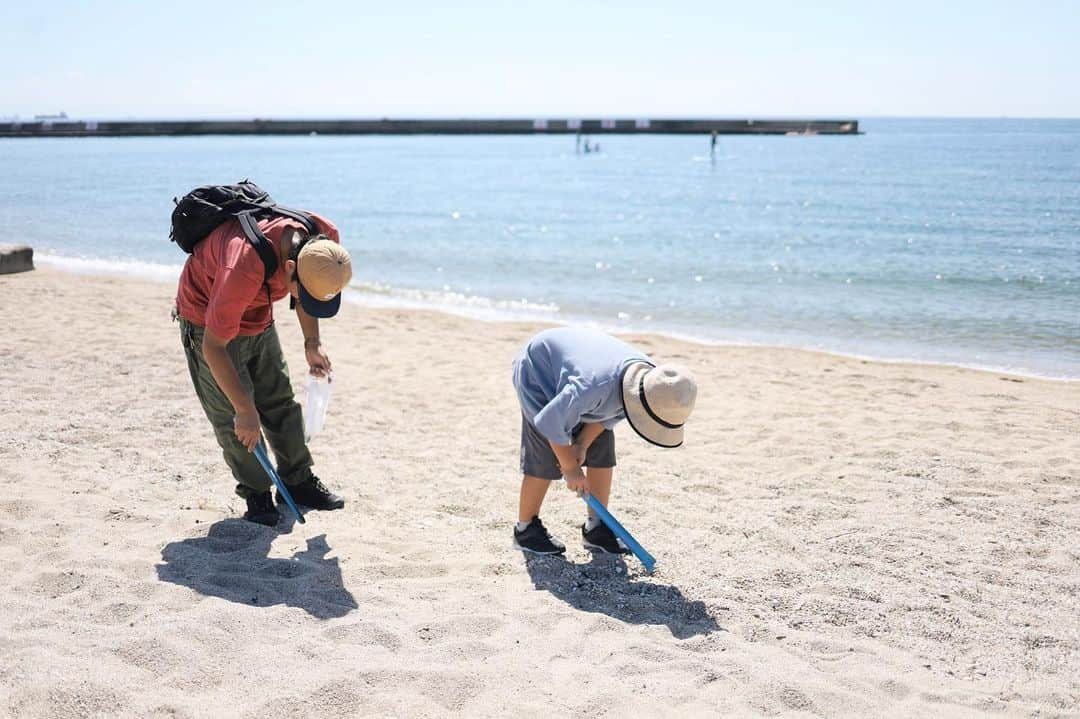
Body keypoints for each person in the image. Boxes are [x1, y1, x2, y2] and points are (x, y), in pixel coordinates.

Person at [175, 210, 353, 527]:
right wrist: (244, 409)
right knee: (237, 417)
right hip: (208, 321)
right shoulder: (243, 264)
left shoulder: (324, 244)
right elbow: (213, 348)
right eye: (306, 296)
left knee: (280, 401)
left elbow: (305, 290)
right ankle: (258, 495)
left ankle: (298, 482)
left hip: (257, 312)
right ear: (289, 268)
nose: (309, 302)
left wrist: (312, 343)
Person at [511, 327, 697, 555]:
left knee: (602, 449)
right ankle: (525, 530)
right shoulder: (593, 387)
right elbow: (550, 422)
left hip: (584, 386)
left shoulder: (650, 384)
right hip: (539, 374)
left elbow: (609, 416)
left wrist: (581, 445)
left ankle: (596, 528)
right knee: (545, 457)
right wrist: (570, 468)